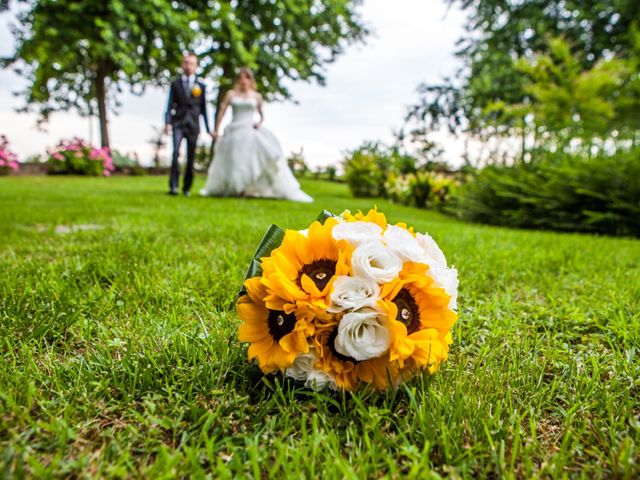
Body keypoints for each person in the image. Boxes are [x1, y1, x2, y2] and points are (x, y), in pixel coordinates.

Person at [200, 68, 313, 202]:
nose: (243, 80)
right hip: (234, 131)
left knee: (250, 160)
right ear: (238, 80)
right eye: (241, 78)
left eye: (246, 78)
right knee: (234, 161)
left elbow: (261, 115)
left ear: (250, 80)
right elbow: (222, 112)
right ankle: (235, 188)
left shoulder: (256, 96)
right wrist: (216, 129)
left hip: (249, 130)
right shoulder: (231, 94)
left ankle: (246, 188)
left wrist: (259, 123)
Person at [164, 53, 213, 196]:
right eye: (186, 63)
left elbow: (204, 109)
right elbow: (169, 105)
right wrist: (167, 123)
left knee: (191, 157)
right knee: (175, 153)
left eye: (191, 63)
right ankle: (173, 187)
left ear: (196, 66)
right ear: (182, 65)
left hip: (193, 125)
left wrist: (209, 129)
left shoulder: (201, 86)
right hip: (178, 123)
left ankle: (186, 188)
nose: (188, 66)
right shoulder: (175, 84)